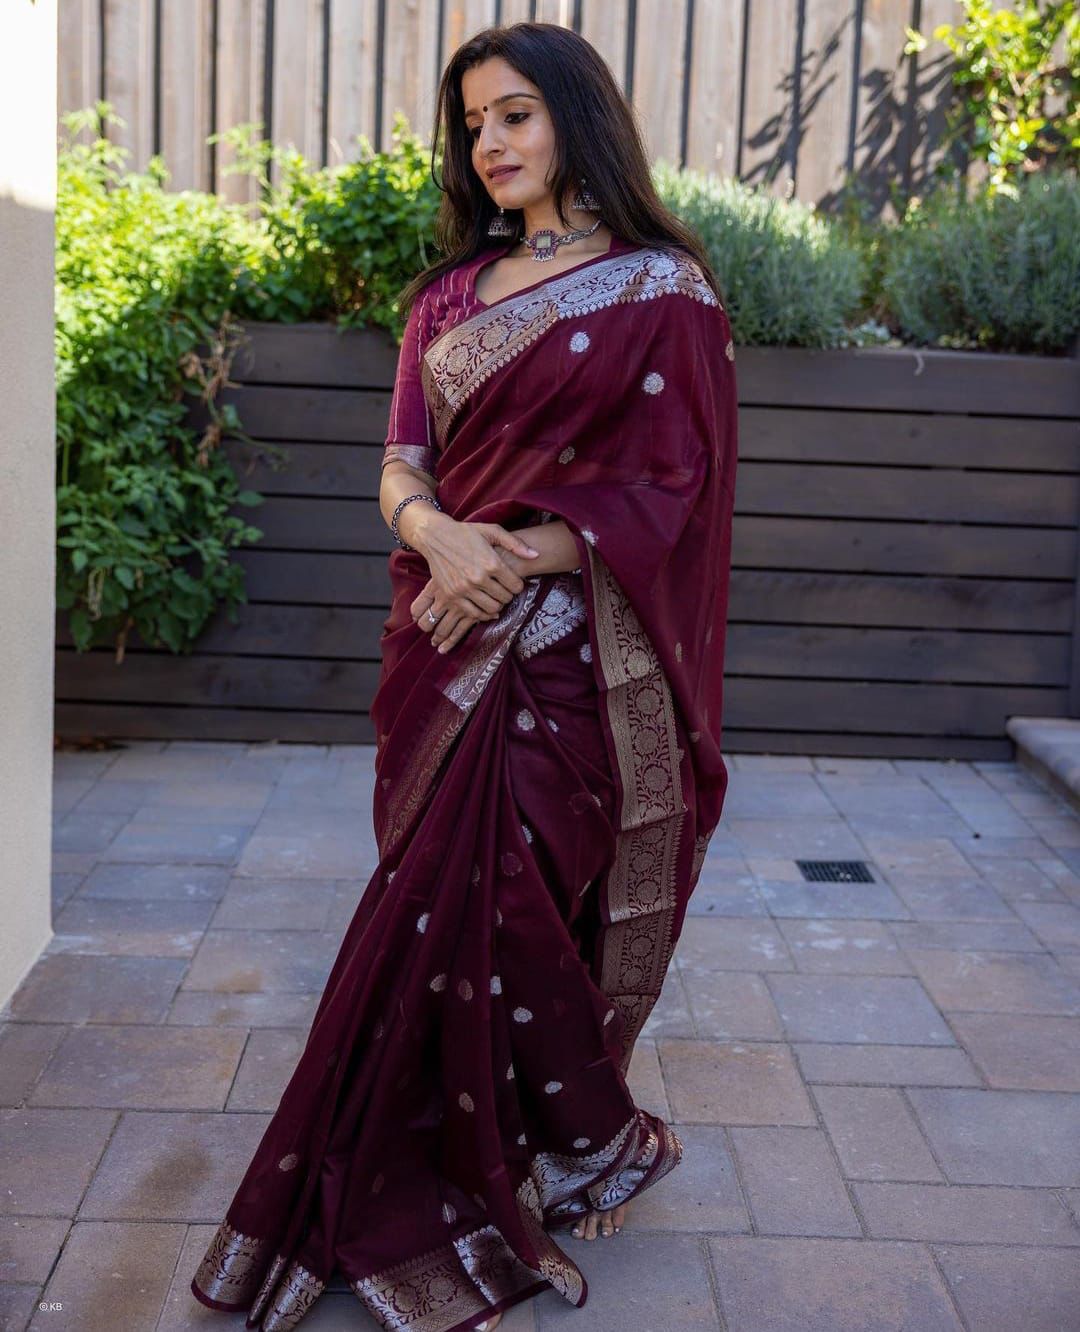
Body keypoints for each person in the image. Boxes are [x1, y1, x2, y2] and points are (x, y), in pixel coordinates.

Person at [190, 19, 737, 1332]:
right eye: (476, 123)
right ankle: (588, 1142)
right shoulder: (443, 299)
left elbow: (676, 489)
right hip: (442, 640)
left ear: (577, 121)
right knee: (439, 917)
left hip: (569, 667)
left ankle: (553, 1147)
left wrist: (527, 555)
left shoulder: (666, 290)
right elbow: (402, 466)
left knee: (516, 914)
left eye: (515, 117)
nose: (490, 143)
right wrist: (439, 536)